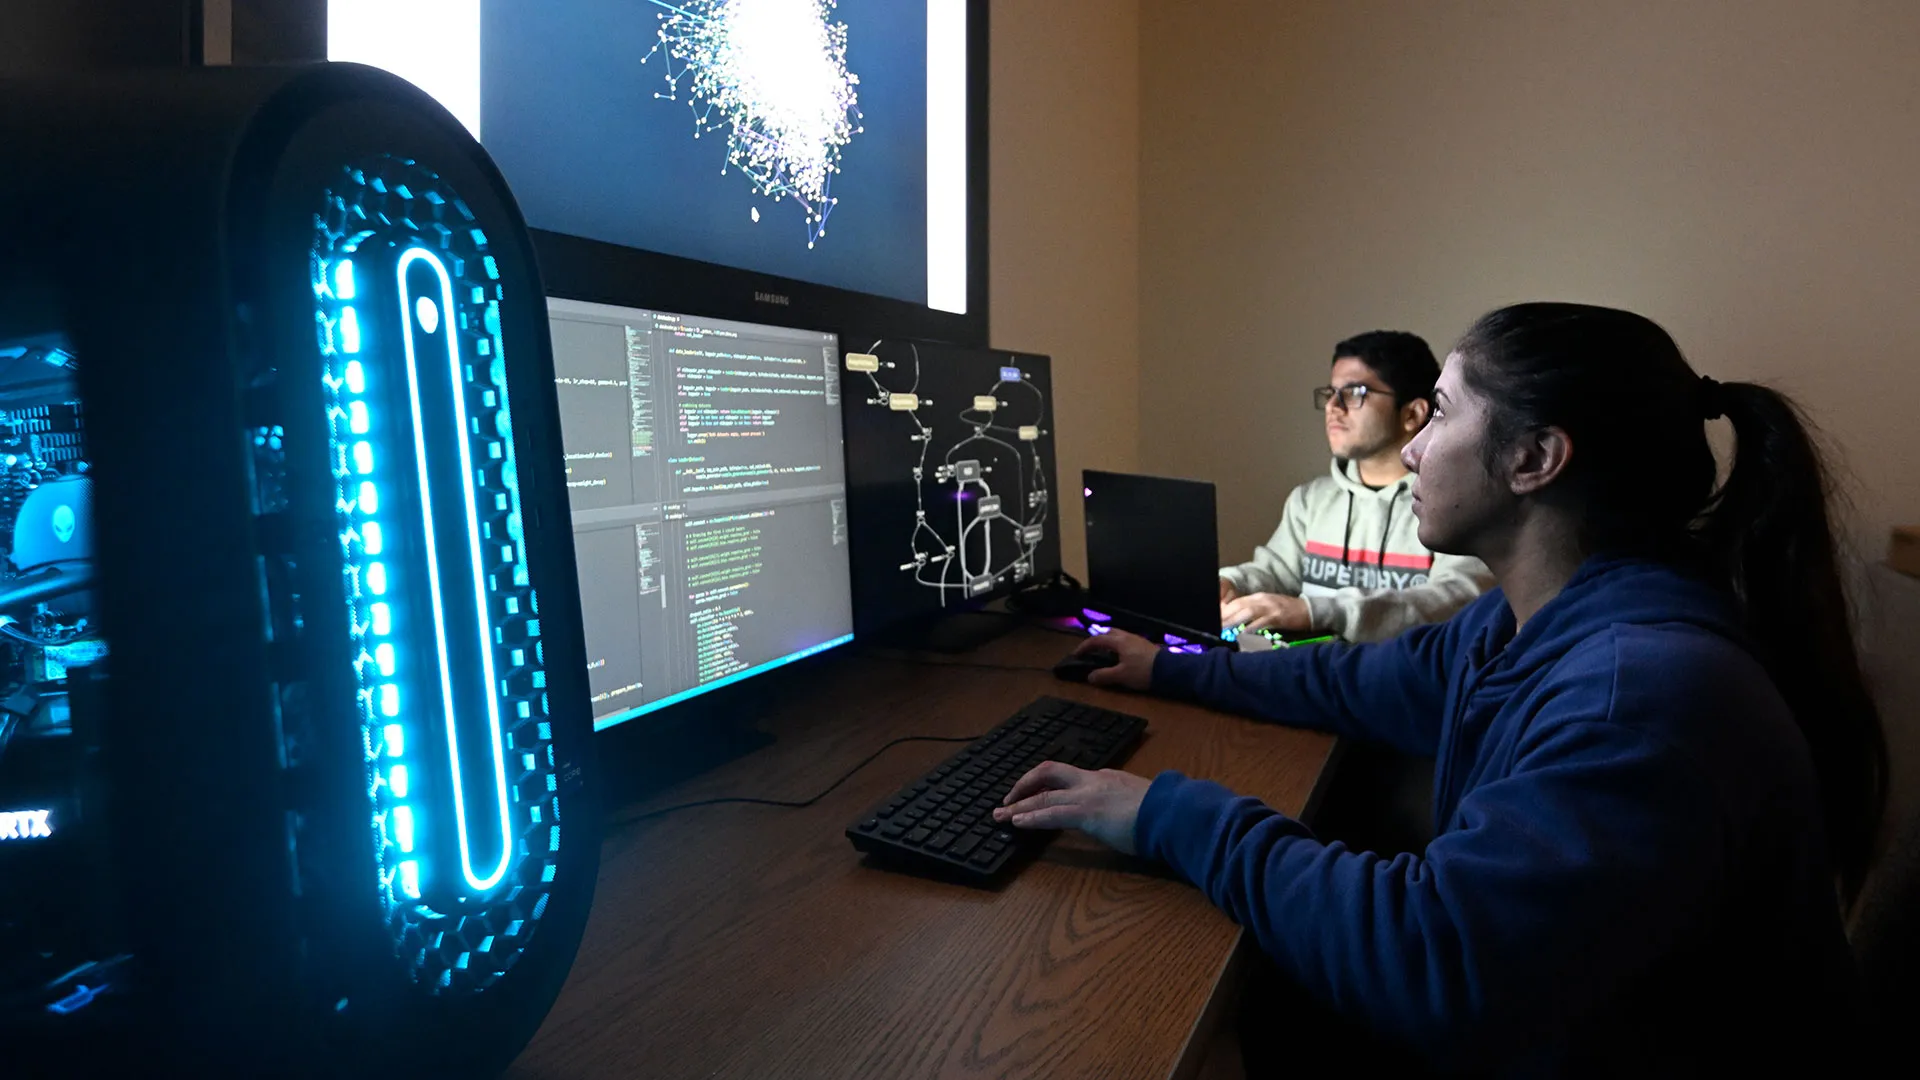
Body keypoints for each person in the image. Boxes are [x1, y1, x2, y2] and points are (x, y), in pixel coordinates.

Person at [996, 303, 1885, 1073]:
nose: (1415, 447)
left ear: (1535, 457)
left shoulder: (1638, 696)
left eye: (1444, 415)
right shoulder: (1520, 621)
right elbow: (1355, 680)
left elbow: (1434, 958)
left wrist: (1167, 815)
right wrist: (1173, 669)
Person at [1219, 331, 1491, 642]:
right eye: (1331, 393)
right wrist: (1230, 583)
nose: (1333, 407)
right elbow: (1274, 573)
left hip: (1400, 681)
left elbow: (1458, 598)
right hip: (1307, 674)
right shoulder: (1310, 501)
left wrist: (1314, 611)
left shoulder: (1455, 505)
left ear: (1412, 414)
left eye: (1355, 392)